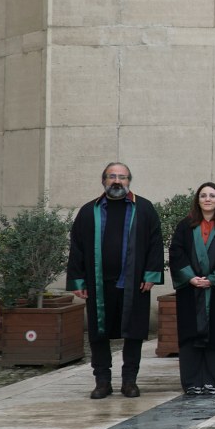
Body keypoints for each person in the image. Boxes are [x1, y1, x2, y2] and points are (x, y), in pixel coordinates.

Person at [67, 163, 164, 400]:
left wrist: (151, 275)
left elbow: (155, 243)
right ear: (103, 180)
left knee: (133, 333)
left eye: (122, 177)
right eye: (112, 177)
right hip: (99, 285)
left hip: (134, 284)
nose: (117, 181)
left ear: (129, 181)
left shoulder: (144, 208)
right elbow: (77, 247)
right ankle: (102, 381)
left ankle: (129, 381)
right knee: (99, 335)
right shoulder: (90, 211)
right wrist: (78, 281)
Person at [169, 182, 215, 396]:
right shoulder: (185, 226)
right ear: (197, 199)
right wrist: (190, 277)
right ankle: (192, 382)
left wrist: (214, 279)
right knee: (190, 336)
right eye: (203, 195)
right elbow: (176, 252)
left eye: (212, 196)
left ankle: (212, 381)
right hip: (191, 290)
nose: (208, 199)